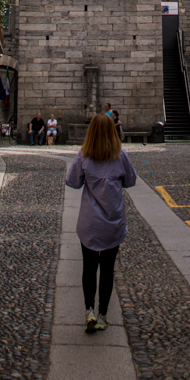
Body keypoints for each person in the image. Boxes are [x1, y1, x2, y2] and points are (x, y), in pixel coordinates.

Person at [66, 113, 136, 333]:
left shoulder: (84, 155)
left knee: (89, 267)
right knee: (107, 269)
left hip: (90, 223)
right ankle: (104, 314)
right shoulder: (120, 155)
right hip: (112, 222)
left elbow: (73, 182)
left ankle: (89, 311)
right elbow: (131, 180)